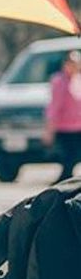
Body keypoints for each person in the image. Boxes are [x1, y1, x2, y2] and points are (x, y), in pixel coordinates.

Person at [44, 50, 81, 183]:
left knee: (74, 157)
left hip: (79, 126)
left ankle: (66, 179)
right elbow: (54, 106)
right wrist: (49, 129)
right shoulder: (59, 81)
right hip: (65, 127)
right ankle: (64, 181)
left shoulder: (78, 80)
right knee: (69, 157)